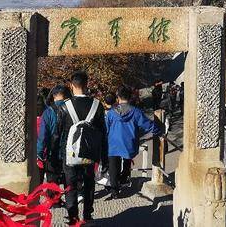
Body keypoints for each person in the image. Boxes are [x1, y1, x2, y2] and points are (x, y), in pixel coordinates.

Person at [54, 71, 106, 225]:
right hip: (90, 152)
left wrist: (54, 155)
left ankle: (73, 218)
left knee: (70, 186)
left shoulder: (64, 107)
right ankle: (88, 215)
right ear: (87, 84)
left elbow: (58, 133)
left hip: (69, 154)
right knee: (89, 183)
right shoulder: (97, 106)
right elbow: (103, 133)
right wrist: (103, 156)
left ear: (71, 85)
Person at [105, 85, 161, 199]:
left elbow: (106, 129)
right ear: (130, 97)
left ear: (118, 97)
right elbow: (148, 125)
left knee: (113, 166)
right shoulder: (136, 112)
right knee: (127, 160)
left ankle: (114, 190)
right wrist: (160, 129)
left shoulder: (111, 113)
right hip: (129, 143)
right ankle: (124, 178)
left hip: (113, 144)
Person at [37, 85, 70, 188]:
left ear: (54, 96)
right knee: (68, 179)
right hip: (69, 150)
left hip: (53, 150)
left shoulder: (48, 112)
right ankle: (71, 201)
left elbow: (43, 134)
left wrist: (40, 152)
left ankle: (55, 201)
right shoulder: (71, 109)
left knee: (52, 179)